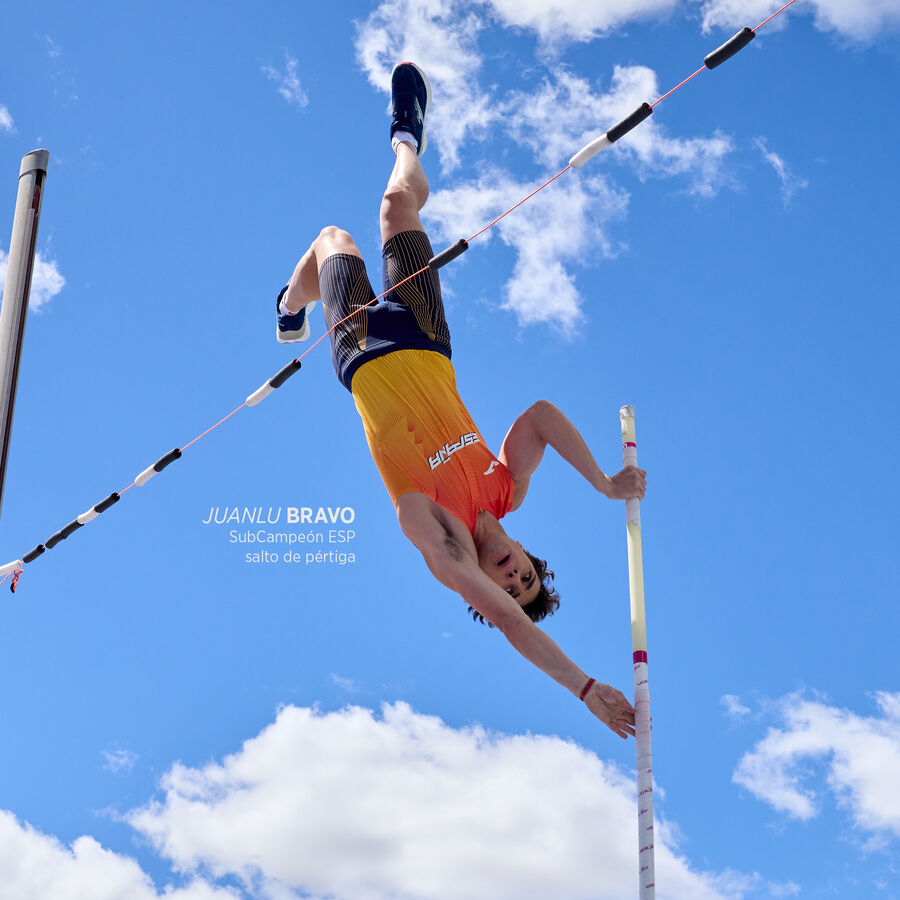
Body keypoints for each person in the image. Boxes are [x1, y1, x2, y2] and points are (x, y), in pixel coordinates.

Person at [276, 63, 646, 739]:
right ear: (533, 560)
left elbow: (507, 623)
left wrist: (585, 688)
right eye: (527, 580)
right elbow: (538, 416)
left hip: (360, 352)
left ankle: (291, 300)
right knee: (396, 208)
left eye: (507, 590)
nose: (513, 583)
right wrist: (603, 484)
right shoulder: (507, 490)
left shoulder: (440, 539)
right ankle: (407, 139)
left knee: (334, 239)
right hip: (426, 338)